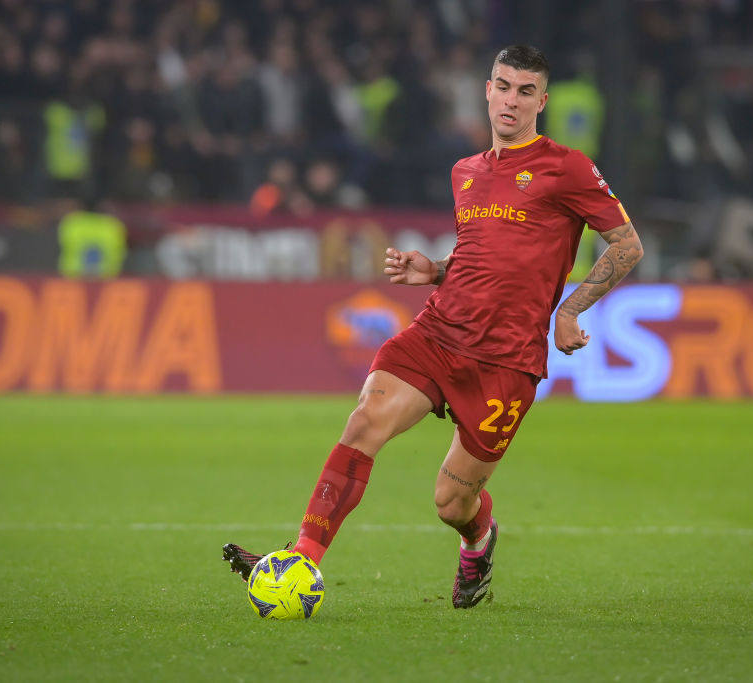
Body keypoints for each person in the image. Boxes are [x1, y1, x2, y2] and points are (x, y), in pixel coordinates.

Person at [222, 45, 644, 609]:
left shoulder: (567, 167)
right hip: (440, 332)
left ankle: (479, 540)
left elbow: (628, 244)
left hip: (508, 360)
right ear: (486, 90)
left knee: (452, 502)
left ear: (542, 101)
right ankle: (301, 557)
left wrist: (569, 310)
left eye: (525, 91)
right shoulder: (465, 172)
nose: (511, 101)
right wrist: (438, 270)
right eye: (502, 86)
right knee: (365, 421)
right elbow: (488, 252)